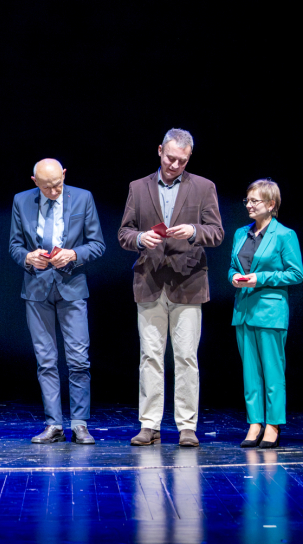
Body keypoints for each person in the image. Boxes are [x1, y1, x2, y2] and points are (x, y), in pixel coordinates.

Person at [118, 128, 224, 447]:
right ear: (160, 150)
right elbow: (124, 232)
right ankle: (149, 424)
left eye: (182, 161)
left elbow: (216, 233)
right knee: (150, 356)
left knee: (186, 357)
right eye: (170, 158)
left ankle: (186, 425)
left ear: (189, 158)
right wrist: (140, 238)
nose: (175, 165)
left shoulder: (203, 187)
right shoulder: (138, 188)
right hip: (149, 280)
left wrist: (192, 231)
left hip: (188, 282)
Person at [8, 159, 105, 444]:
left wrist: (73, 254)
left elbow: (97, 244)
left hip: (71, 287)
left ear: (64, 174)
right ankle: (53, 424)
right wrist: (27, 257)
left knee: (78, 359)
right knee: (46, 360)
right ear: (34, 181)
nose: (54, 191)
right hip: (36, 288)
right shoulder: (21, 201)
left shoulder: (83, 198)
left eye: (58, 184)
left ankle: (79, 423)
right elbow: (14, 245)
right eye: (47, 186)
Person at [229, 179, 302, 449]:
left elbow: (296, 273)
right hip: (244, 311)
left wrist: (260, 277)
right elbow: (231, 267)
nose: (249, 205)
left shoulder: (284, 235)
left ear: (271, 205)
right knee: (250, 372)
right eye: (247, 200)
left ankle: (273, 425)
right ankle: (254, 423)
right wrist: (235, 276)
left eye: (255, 201)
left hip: (271, 311)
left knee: (272, 371)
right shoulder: (240, 234)